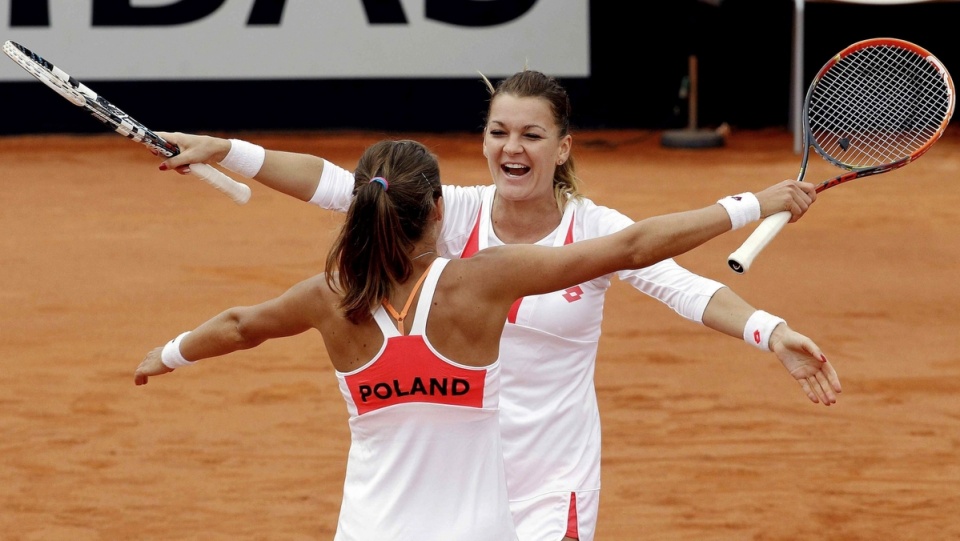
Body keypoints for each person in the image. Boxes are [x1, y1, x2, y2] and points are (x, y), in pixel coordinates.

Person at [153, 70, 842, 541]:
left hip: (551, 485)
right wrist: (229, 149)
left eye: (531, 134)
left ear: (563, 147)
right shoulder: (450, 213)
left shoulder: (593, 227)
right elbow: (342, 185)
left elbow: (681, 285)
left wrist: (769, 329)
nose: (510, 147)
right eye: (498, 131)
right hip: (450, 487)